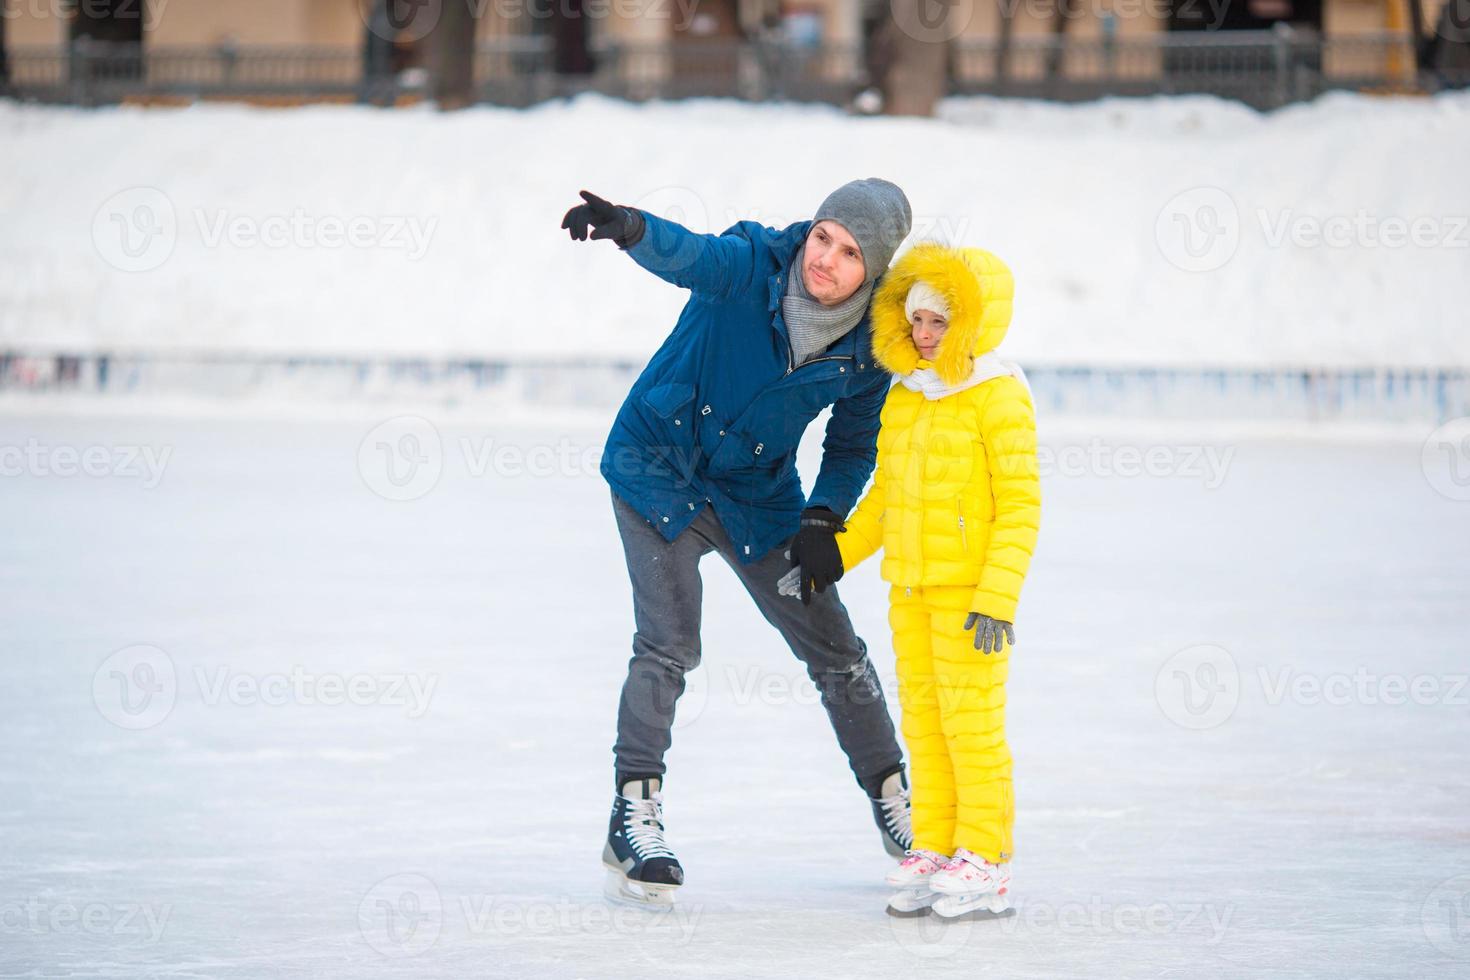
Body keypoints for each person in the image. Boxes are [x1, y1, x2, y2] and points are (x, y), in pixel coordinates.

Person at [561, 180, 916, 907]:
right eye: (823, 236)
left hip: (757, 495)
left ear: (873, 271)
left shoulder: (869, 350)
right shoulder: (752, 262)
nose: (825, 259)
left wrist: (823, 517)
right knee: (668, 644)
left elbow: (852, 449)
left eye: (849, 253)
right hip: (656, 468)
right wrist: (631, 226)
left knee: (835, 646)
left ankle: (896, 798)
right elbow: (691, 257)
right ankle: (635, 813)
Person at [782, 242, 1040, 919]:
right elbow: (887, 503)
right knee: (924, 727)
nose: (925, 337)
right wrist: (835, 556)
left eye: (940, 323)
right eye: (917, 321)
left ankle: (985, 856)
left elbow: (1020, 508)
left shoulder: (998, 396)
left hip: (971, 600)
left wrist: (997, 598)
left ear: (973, 323)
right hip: (911, 591)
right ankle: (936, 843)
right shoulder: (908, 395)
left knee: (972, 726)